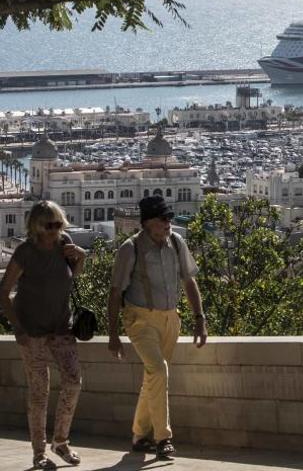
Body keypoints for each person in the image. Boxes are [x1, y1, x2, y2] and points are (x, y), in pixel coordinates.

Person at [107, 195, 207, 459]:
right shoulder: (130, 249)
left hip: (170, 317)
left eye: (169, 218)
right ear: (148, 222)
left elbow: (189, 281)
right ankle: (163, 438)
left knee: (153, 377)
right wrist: (113, 334)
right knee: (159, 370)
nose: (168, 223)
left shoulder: (176, 242)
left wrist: (200, 318)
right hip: (139, 319)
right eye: (163, 219)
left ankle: (140, 435)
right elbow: (115, 293)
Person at [0, 201, 86, 470]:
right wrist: (18, 327)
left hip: (62, 328)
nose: (54, 231)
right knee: (39, 393)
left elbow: (71, 277)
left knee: (73, 382)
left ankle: (60, 441)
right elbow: (4, 291)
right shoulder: (25, 252)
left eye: (58, 224)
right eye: (49, 226)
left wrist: (81, 257)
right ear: (36, 226)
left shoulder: (65, 244)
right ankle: (39, 452)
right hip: (33, 332)